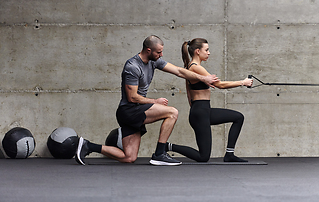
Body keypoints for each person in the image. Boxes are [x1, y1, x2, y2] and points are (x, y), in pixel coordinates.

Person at [75, 35, 219, 166]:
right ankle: (159, 153)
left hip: (135, 111)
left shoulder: (153, 61)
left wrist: (203, 78)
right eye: (158, 52)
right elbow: (132, 97)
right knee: (172, 113)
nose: (161, 55)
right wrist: (155, 101)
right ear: (148, 50)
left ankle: (88, 146)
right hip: (130, 110)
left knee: (128, 157)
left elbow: (179, 71)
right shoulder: (132, 66)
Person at [166, 38, 253, 162]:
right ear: (197, 51)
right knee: (203, 157)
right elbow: (220, 85)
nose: (209, 53)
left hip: (203, 111)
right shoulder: (195, 68)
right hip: (200, 113)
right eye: (206, 50)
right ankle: (167, 146)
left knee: (238, 117)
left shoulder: (190, 67)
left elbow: (189, 94)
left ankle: (229, 154)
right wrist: (242, 82)